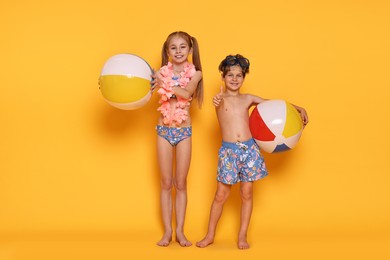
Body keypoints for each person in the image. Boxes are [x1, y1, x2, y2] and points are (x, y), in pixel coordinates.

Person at [196, 54, 308, 249]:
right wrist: (217, 99)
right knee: (220, 195)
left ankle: (242, 236)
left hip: (249, 151)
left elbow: (274, 105)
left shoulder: (248, 98)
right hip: (229, 153)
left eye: (239, 75)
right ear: (222, 77)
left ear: (244, 78)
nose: (234, 79)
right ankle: (210, 235)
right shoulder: (220, 99)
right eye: (230, 75)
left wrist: (298, 108)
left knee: (247, 193)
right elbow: (217, 102)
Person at [151, 31, 203, 247]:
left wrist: (164, 84)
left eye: (183, 47)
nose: (179, 51)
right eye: (174, 47)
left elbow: (187, 93)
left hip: (184, 132)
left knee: (180, 183)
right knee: (165, 183)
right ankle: (167, 232)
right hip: (163, 130)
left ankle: (180, 231)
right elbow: (134, 85)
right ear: (167, 51)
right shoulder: (161, 72)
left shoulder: (196, 73)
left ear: (190, 50)